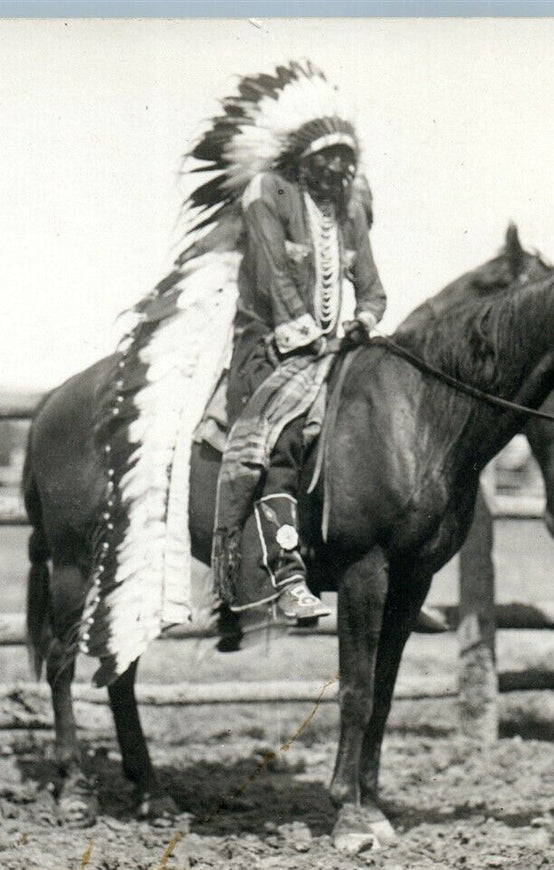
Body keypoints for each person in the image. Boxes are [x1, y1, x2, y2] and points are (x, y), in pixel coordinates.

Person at [221, 120, 387, 623]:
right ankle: (288, 576)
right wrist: (308, 337)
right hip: (269, 348)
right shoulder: (269, 193)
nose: (337, 168)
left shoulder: (351, 212)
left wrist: (364, 320)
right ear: (304, 159)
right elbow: (274, 279)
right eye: (327, 157)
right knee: (283, 441)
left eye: (345, 158)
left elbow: (374, 288)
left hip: (332, 352)